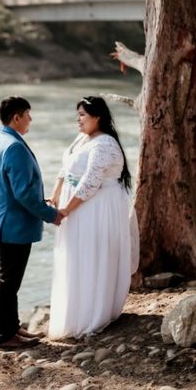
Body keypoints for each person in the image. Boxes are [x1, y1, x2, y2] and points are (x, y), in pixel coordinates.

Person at [48, 95, 133, 339]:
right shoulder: (83, 138)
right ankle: (75, 308)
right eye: (78, 115)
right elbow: (66, 166)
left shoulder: (105, 144)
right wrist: (55, 195)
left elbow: (90, 182)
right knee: (76, 256)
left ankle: (93, 312)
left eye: (83, 115)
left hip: (97, 207)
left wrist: (65, 210)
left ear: (97, 117)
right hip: (78, 205)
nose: (78, 119)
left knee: (92, 255)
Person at [0, 96, 64, 350]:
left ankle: (12, 328)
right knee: (9, 282)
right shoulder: (14, 146)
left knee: (8, 281)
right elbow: (22, 193)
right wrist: (50, 214)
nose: (31, 118)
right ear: (16, 117)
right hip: (13, 225)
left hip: (5, 221)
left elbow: (15, 188)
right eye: (28, 114)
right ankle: (5, 337)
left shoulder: (1, 139)